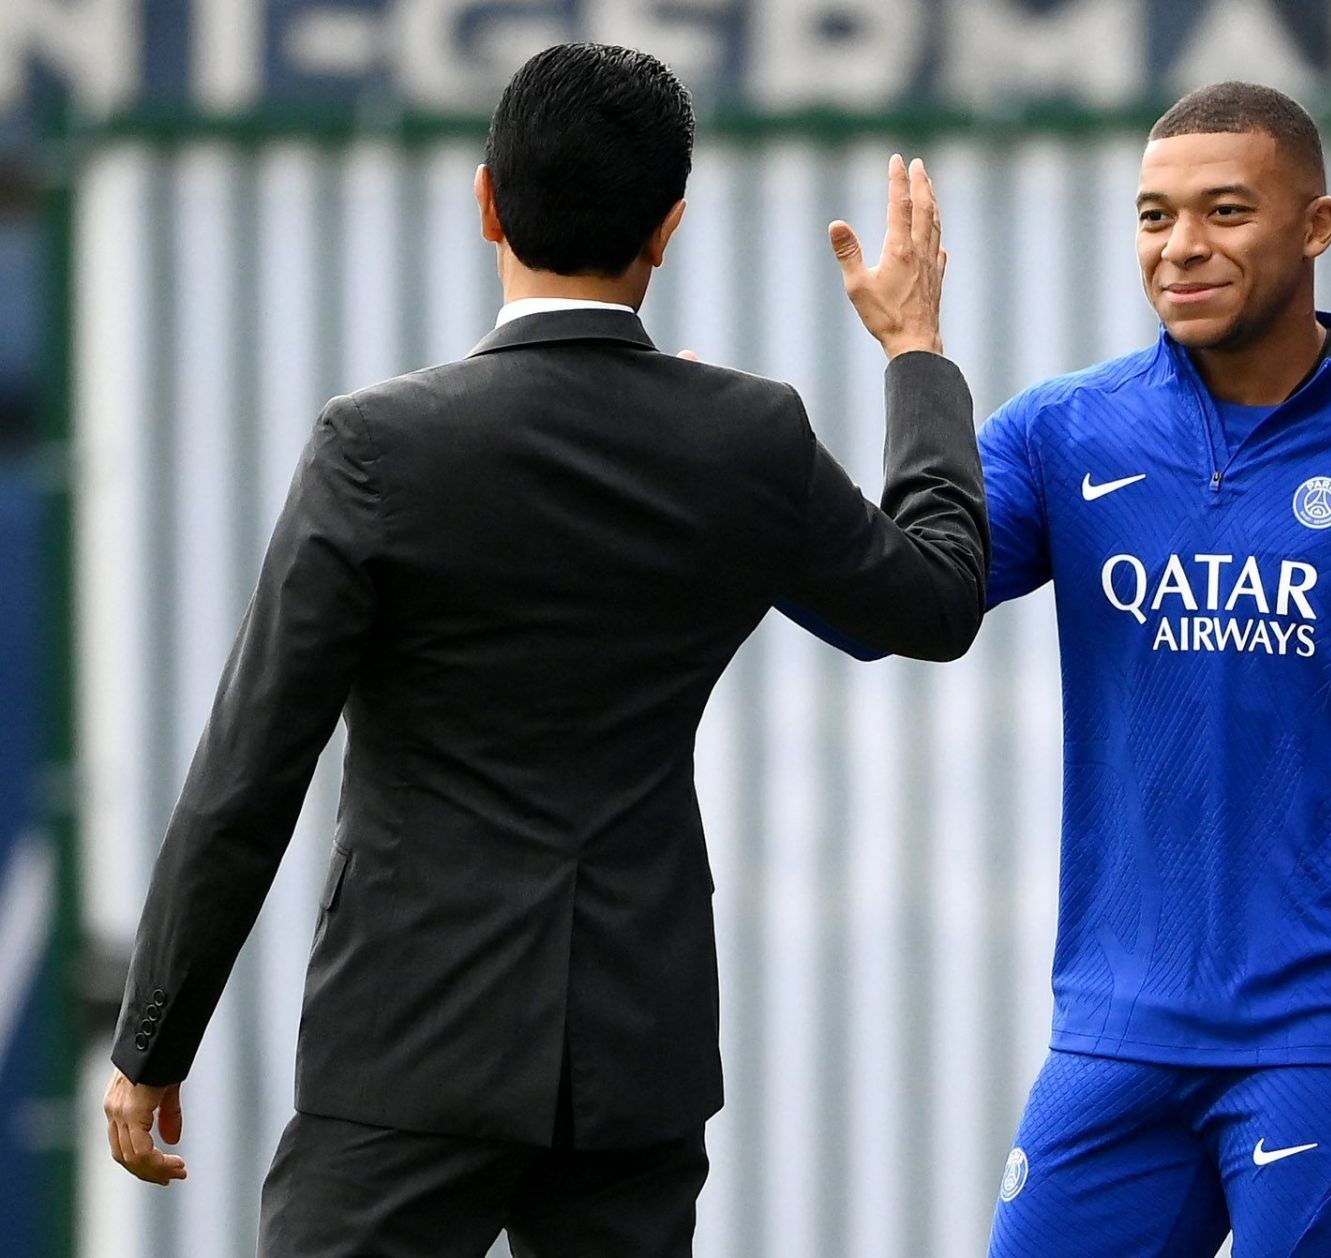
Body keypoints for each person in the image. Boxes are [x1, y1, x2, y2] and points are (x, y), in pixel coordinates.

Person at [99, 42, 985, 1258]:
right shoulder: (746, 441)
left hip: (406, 1048)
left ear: (485, 200)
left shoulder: (377, 448)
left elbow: (250, 772)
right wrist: (917, 352)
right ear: (668, 229)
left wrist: (154, 1040)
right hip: (636, 1053)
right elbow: (934, 606)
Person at [819, 80, 1331, 1254]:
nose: (1180, 247)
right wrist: (754, 463)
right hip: (1116, 1030)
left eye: (1225, 211)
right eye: (1152, 216)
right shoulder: (1064, 433)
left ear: (1315, 227)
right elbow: (885, 604)